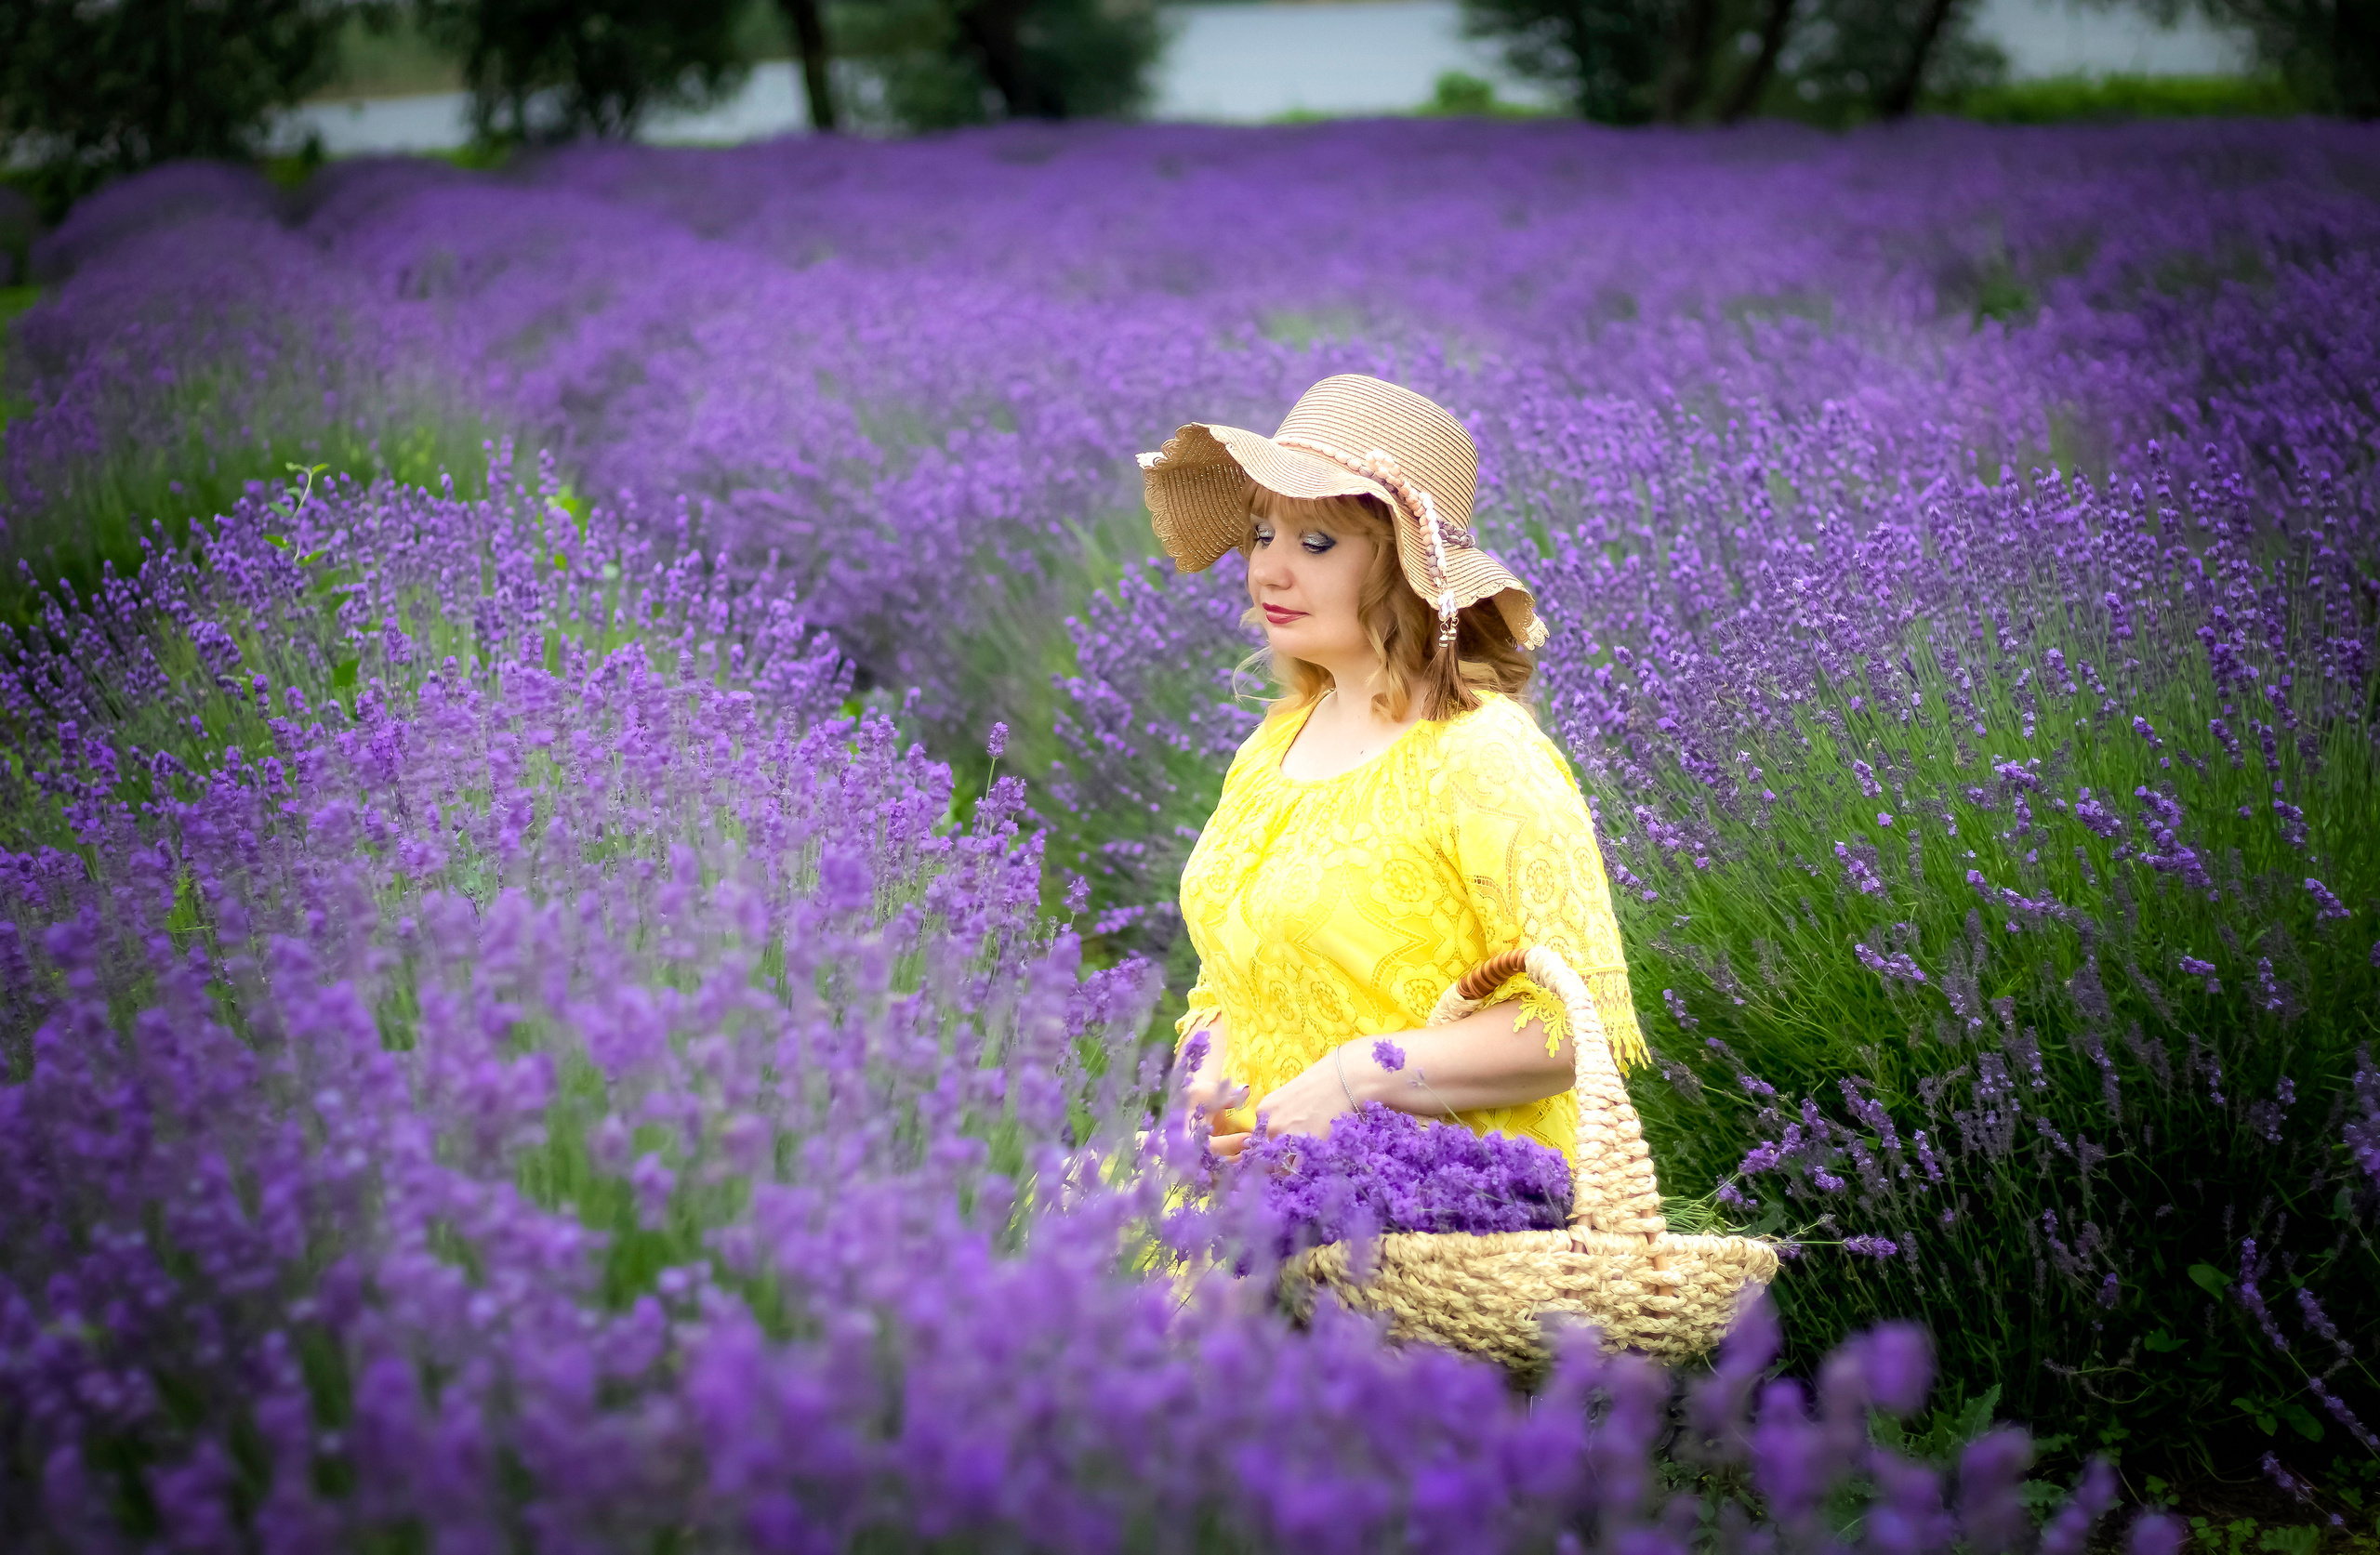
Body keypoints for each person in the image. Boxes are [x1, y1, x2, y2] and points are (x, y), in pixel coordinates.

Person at [1138, 374, 1648, 1165]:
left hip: (1443, 1198)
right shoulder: (1272, 747)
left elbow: (1572, 1026)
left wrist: (1359, 1077)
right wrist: (1204, 1081)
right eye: (1263, 534)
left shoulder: (1482, 754)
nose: (1268, 570)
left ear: (1406, 569)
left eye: (1315, 543)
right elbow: (1233, 980)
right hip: (1260, 1180)